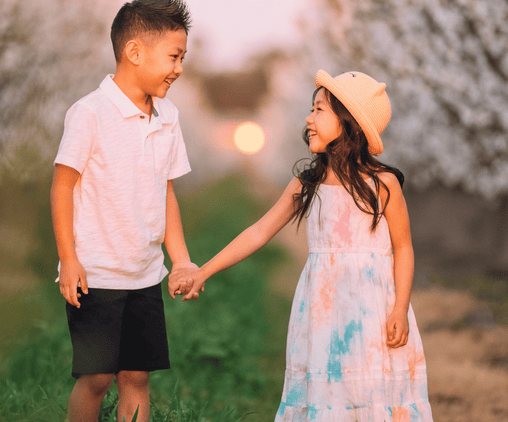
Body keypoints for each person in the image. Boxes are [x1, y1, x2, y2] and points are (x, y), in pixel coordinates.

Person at [171, 70, 433, 420]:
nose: (309, 118)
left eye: (320, 110)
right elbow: (258, 231)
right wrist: (204, 271)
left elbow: (403, 247)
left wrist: (399, 307)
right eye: (311, 109)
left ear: (350, 121)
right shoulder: (306, 184)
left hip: (373, 311)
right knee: (328, 398)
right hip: (323, 315)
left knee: (372, 394)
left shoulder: (383, 184)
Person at [51, 0, 199, 422]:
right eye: (174, 56)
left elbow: (165, 193)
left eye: (182, 57)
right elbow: (62, 188)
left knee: (136, 376)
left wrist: (182, 259)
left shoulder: (168, 117)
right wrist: (68, 259)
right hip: (95, 273)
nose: (179, 68)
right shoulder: (90, 113)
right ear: (134, 52)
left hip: (145, 272)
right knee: (96, 378)